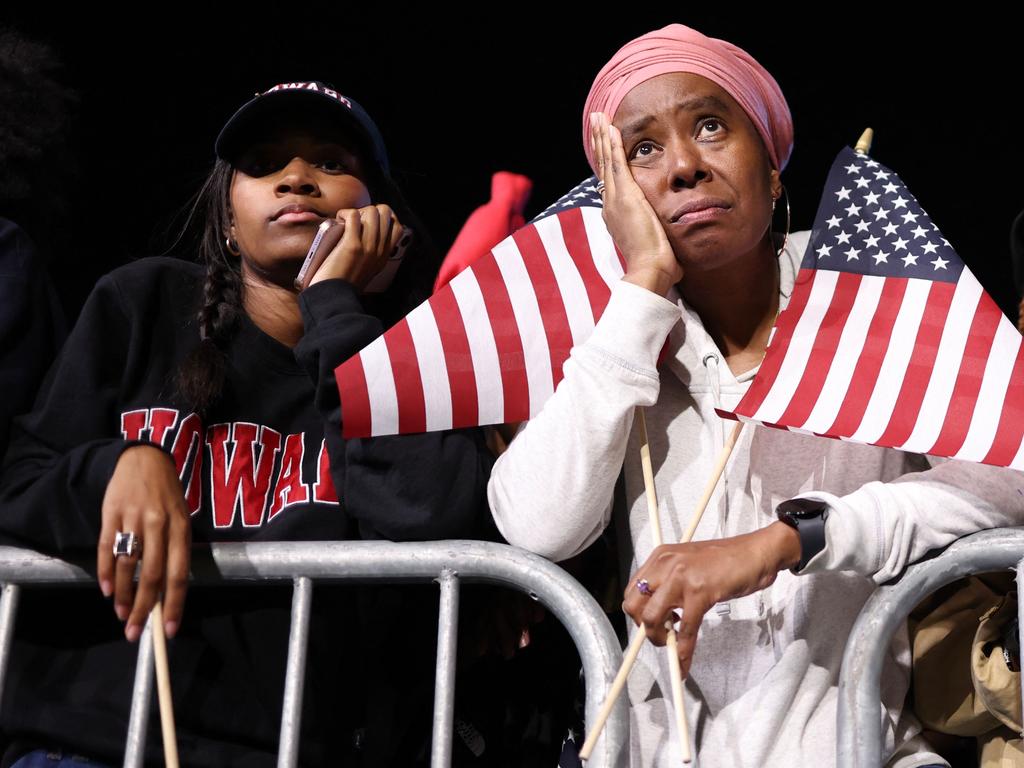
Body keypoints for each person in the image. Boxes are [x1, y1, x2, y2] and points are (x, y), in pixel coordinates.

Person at [487, 24, 1024, 768]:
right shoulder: (614, 334)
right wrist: (643, 287)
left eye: (711, 126)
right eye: (643, 147)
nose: (682, 166)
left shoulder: (866, 295)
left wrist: (792, 539)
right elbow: (539, 527)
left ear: (773, 171)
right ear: (616, 197)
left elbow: (1013, 472)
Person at [0, 81, 495, 767]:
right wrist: (121, 463)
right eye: (264, 164)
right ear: (228, 224)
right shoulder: (140, 302)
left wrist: (335, 305)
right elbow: (17, 483)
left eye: (329, 161)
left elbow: (428, 509)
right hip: (99, 744)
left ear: (382, 218)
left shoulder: (417, 358)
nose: (296, 178)